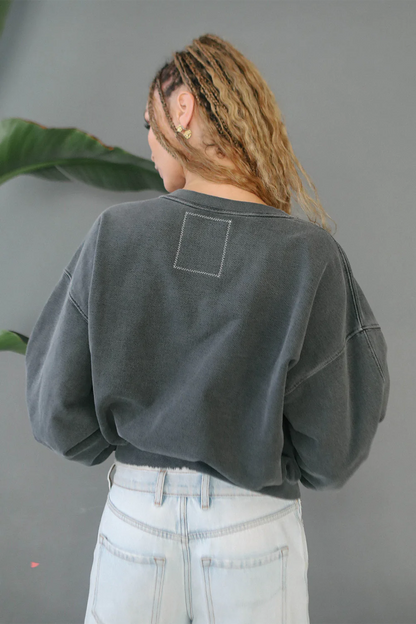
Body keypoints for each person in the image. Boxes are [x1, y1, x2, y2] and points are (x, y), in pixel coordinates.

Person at [25, 34, 390, 623]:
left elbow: (56, 411)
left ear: (183, 108)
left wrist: (135, 448)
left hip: (136, 522)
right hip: (251, 527)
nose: (148, 142)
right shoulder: (307, 256)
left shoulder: (115, 236)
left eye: (150, 123)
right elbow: (334, 448)